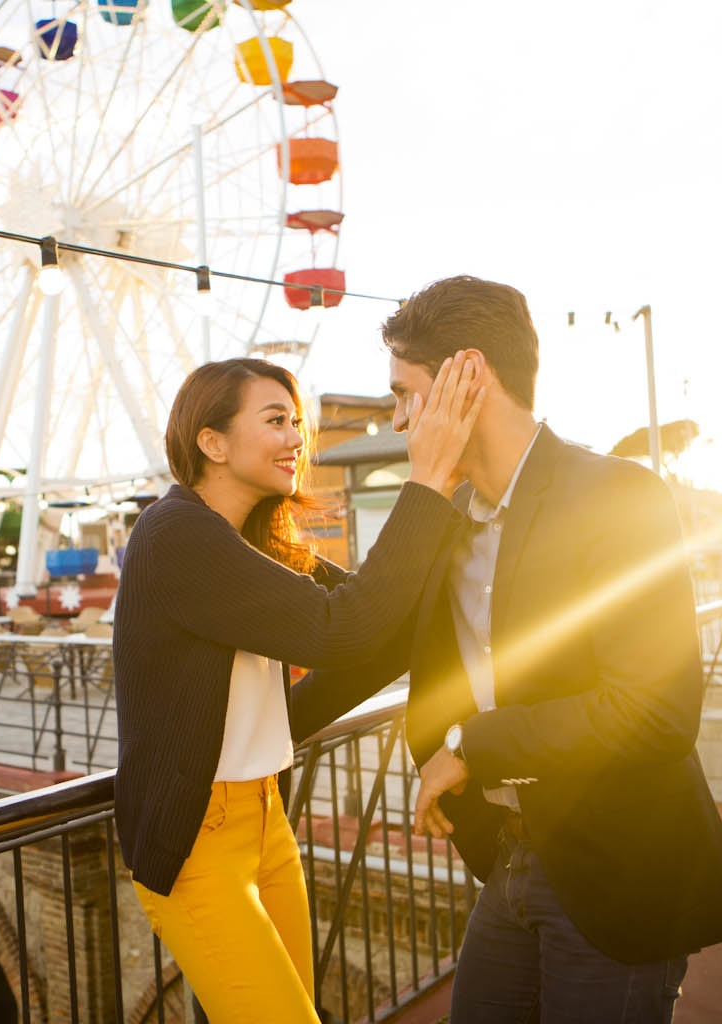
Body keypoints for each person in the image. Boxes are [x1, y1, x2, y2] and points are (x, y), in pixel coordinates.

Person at [294, 275, 722, 1023]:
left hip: (618, 868)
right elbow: (362, 643)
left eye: (404, 395)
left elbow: (655, 711)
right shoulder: (441, 519)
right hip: (507, 855)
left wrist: (475, 747)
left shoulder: (616, 496)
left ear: (466, 379)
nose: (402, 420)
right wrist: (242, 744)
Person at [113, 354, 483, 1024]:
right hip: (197, 843)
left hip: (266, 821)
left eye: (299, 423)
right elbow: (342, 630)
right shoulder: (175, 535)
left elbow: (381, 630)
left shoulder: (252, 540)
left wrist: (458, 494)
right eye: (276, 420)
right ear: (213, 441)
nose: (297, 438)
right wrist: (425, 478)